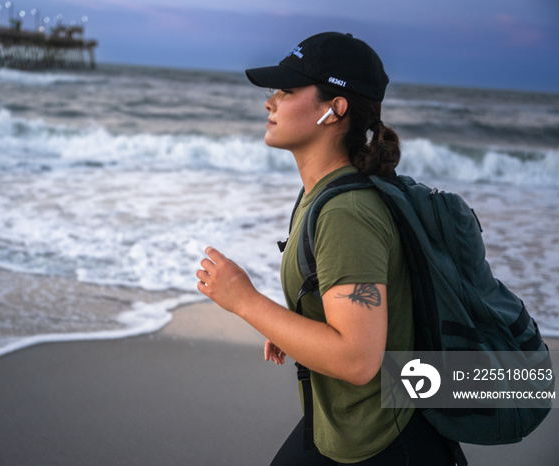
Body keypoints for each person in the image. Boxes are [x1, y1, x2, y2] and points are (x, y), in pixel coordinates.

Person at [195, 32, 457, 465]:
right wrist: (291, 327)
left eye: (288, 90)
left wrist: (246, 302)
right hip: (349, 425)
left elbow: (356, 360)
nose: (270, 102)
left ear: (335, 110)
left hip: (385, 442)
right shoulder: (321, 194)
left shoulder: (346, 211)